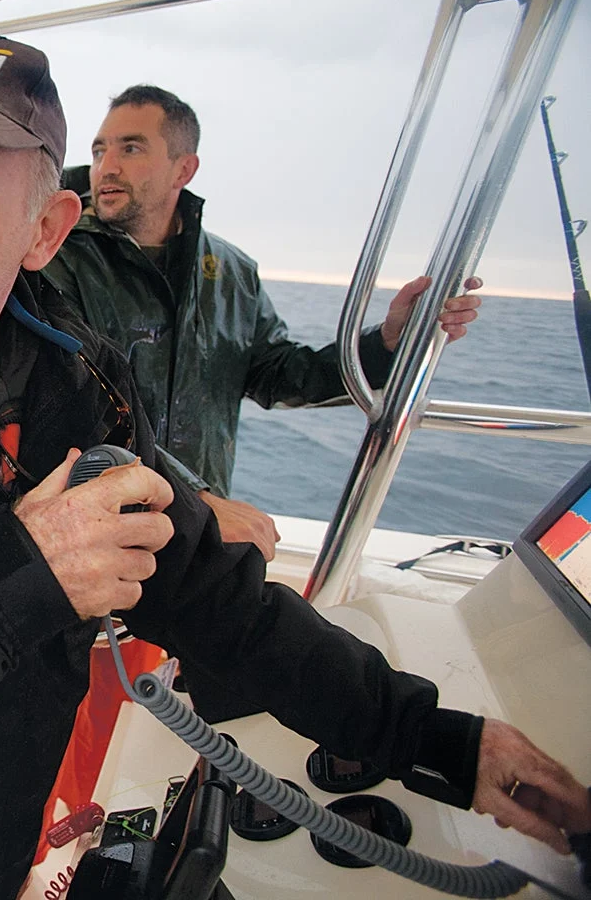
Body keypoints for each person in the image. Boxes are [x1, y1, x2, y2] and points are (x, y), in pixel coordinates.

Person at [0, 27, 588, 898]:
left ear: (45, 231)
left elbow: (225, 607)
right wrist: (10, 578)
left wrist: (443, 744)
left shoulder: (76, 384)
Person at [47, 86, 483, 560]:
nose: (106, 166)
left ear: (184, 168)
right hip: (91, 529)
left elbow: (279, 374)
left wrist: (388, 343)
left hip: (193, 530)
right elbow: (76, 398)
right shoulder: (55, 256)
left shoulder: (232, 272)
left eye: (130, 148)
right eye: (99, 149)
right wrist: (198, 499)